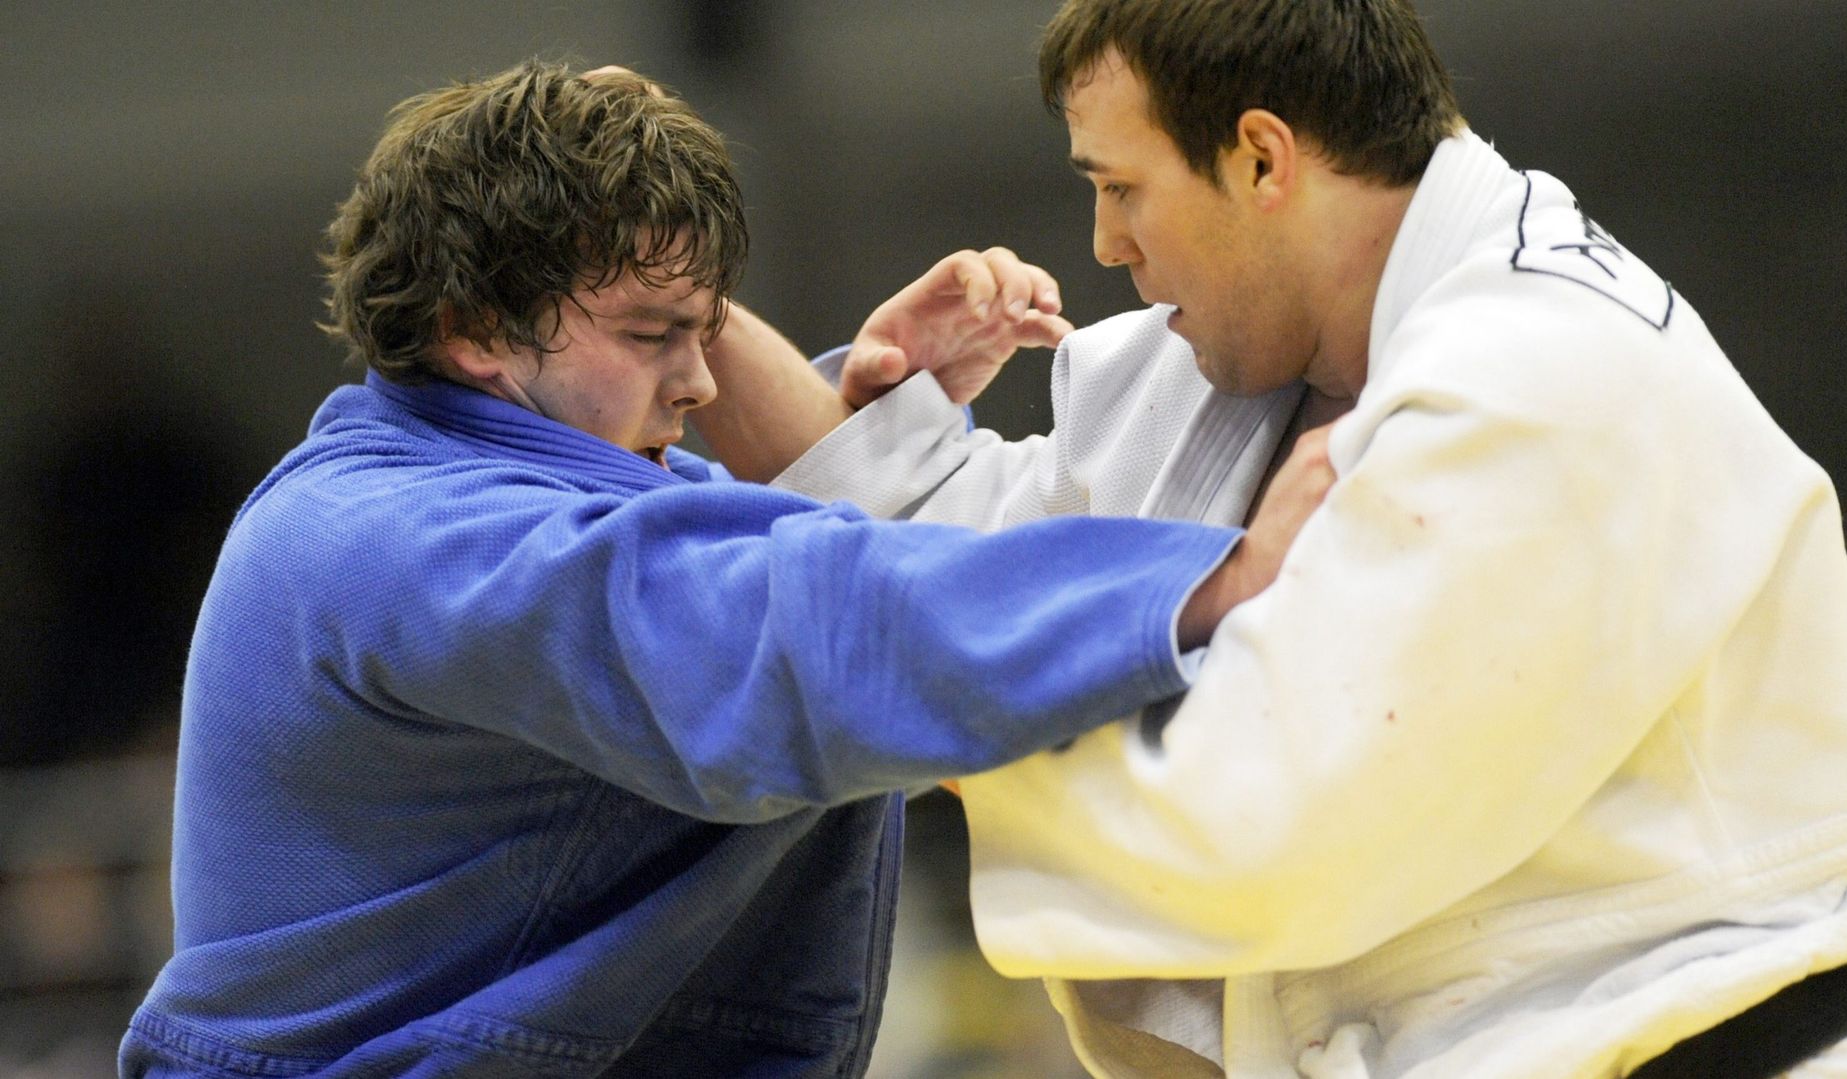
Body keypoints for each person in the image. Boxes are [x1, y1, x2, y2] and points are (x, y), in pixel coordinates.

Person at [709, 1, 1847, 1075]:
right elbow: (965, 563)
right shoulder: (1233, 363)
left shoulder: (1541, 378)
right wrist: (687, 313)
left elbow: (1255, 831)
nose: (1103, 245)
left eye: (1122, 187)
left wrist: (934, 706)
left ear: (1261, 157)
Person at [117, 60, 1318, 1078]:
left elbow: (778, 554)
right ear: (472, 327)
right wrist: (1209, 579)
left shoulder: (555, 483)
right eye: (654, 334)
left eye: (707, 327)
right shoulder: (393, 536)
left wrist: (862, 418)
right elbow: (787, 629)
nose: (697, 381)